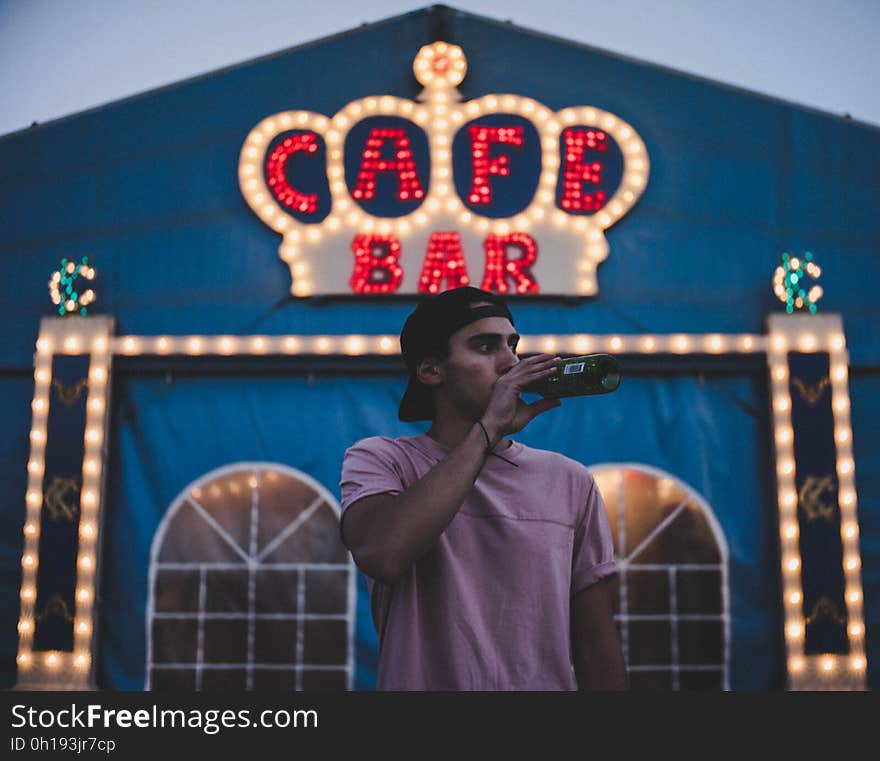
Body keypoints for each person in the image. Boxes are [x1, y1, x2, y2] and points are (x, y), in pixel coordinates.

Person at [339, 285, 626, 690]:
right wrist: (488, 430)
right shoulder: (383, 460)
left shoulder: (569, 479)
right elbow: (383, 552)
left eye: (513, 345)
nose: (511, 361)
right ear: (431, 371)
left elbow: (596, 643)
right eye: (486, 347)